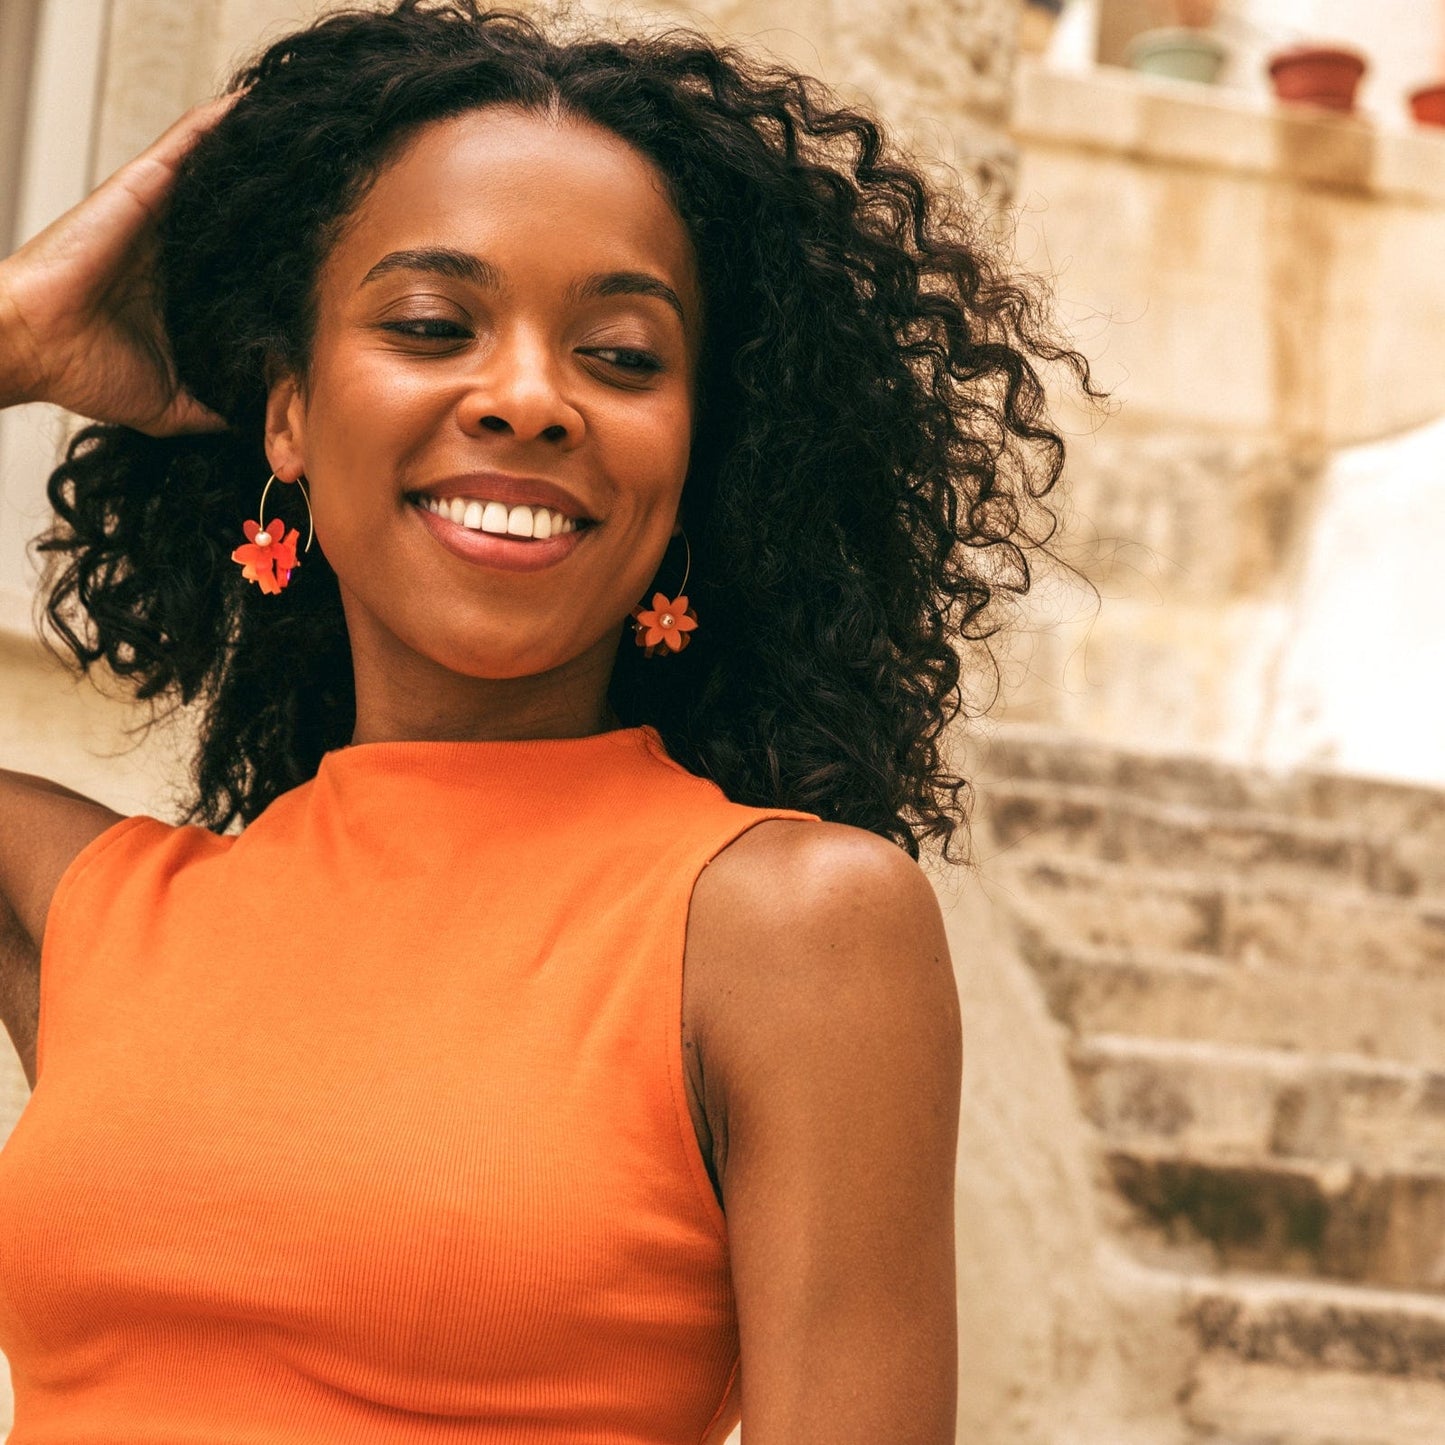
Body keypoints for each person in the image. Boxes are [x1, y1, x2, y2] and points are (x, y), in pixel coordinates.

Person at [0, 2, 1103, 1440]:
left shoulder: (787, 926)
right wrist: (15, 332)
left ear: (703, 450)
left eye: (623, 356)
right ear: (288, 415)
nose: (527, 398)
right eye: (429, 324)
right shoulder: (90, 908)